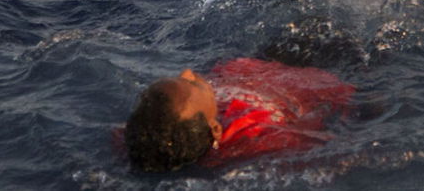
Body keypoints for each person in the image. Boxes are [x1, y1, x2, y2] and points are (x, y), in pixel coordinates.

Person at [124, 58, 353, 173]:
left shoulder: (150, 135)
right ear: (215, 129)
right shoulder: (264, 143)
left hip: (264, 66)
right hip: (326, 75)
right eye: (192, 84)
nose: (188, 72)